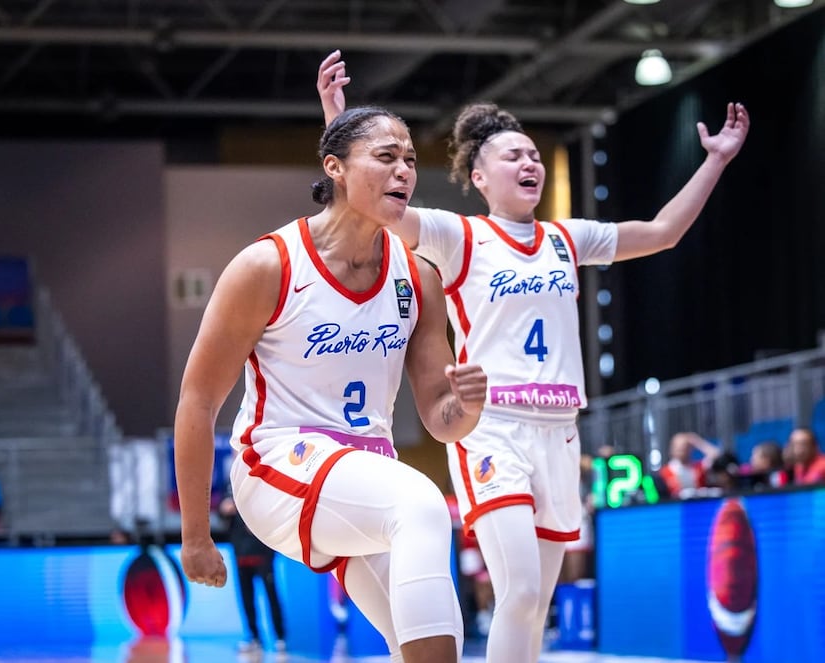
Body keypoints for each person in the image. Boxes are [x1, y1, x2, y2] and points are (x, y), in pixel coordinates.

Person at [318, 49, 750, 663]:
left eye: (534, 156)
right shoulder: (460, 235)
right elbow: (374, 204)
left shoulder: (566, 238)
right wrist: (338, 119)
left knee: (535, 602)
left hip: (560, 432)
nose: (530, 163)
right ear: (479, 177)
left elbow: (662, 233)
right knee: (517, 590)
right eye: (513, 156)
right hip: (492, 427)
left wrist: (715, 161)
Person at [173, 106, 489, 663]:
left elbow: (442, 420)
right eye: (386, 157)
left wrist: (466, 407)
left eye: (410, 159)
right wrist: (195, 534)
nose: (404, 171)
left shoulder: (418, 277)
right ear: (334, 168)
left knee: (428, 646)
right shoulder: (267, 265)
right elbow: (198, 401)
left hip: (364, 475)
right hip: (275, 464)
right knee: (422, 504)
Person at [218, 484, 286, 655]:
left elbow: (276, 511)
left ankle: (280, 638)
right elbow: (221, 514)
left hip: (263, 552)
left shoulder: (264, 483)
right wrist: (224, 509)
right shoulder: (231, 485)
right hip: (241, 552)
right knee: (247, 598)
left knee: (271, 596)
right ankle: (254, 637)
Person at [657, 431, 721, 499]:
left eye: (684, 447)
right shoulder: (665, 472)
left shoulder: (698, 468)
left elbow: (715, 454)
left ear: (690, 449)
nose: (681, 450)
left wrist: (696, 441)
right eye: (678, 447)